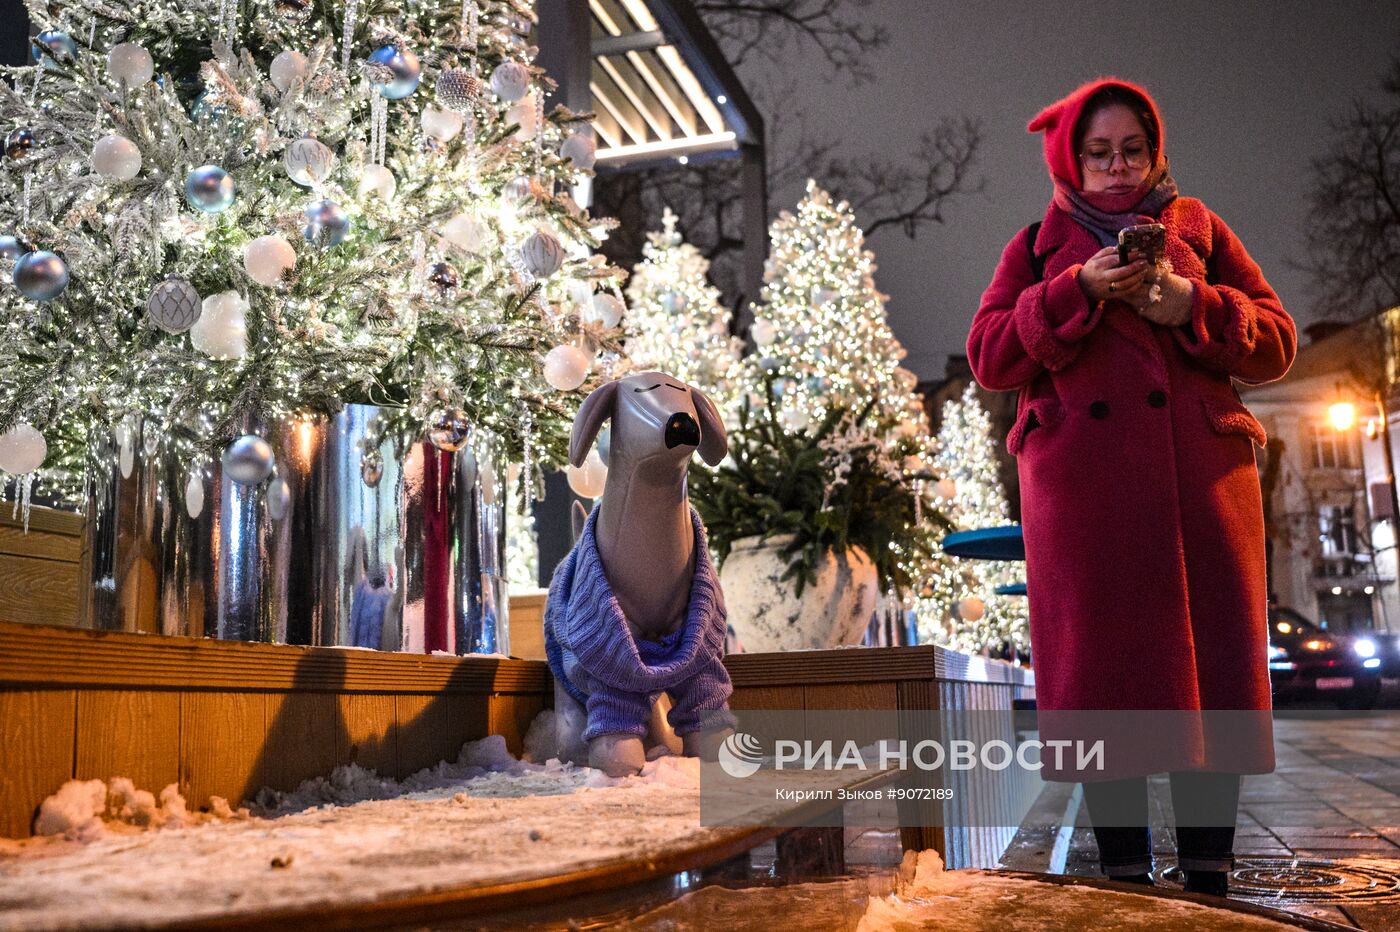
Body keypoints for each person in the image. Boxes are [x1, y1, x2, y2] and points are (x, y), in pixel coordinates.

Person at [966, 77, 1297, 897]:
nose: (1117, 169)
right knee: (1107, 689)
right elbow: (988, 354)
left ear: (1156, 155)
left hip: (1199, 491)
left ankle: (1209, 877)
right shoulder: (1037, 246)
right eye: (1099, 153)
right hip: (1087, 500)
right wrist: (1075, 290)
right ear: (1072, 161)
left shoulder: (1203, 230)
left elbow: (1278, 341)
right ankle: (1122, 876)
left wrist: (1193, 304)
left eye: (1133, 152)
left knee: (1207, 682)